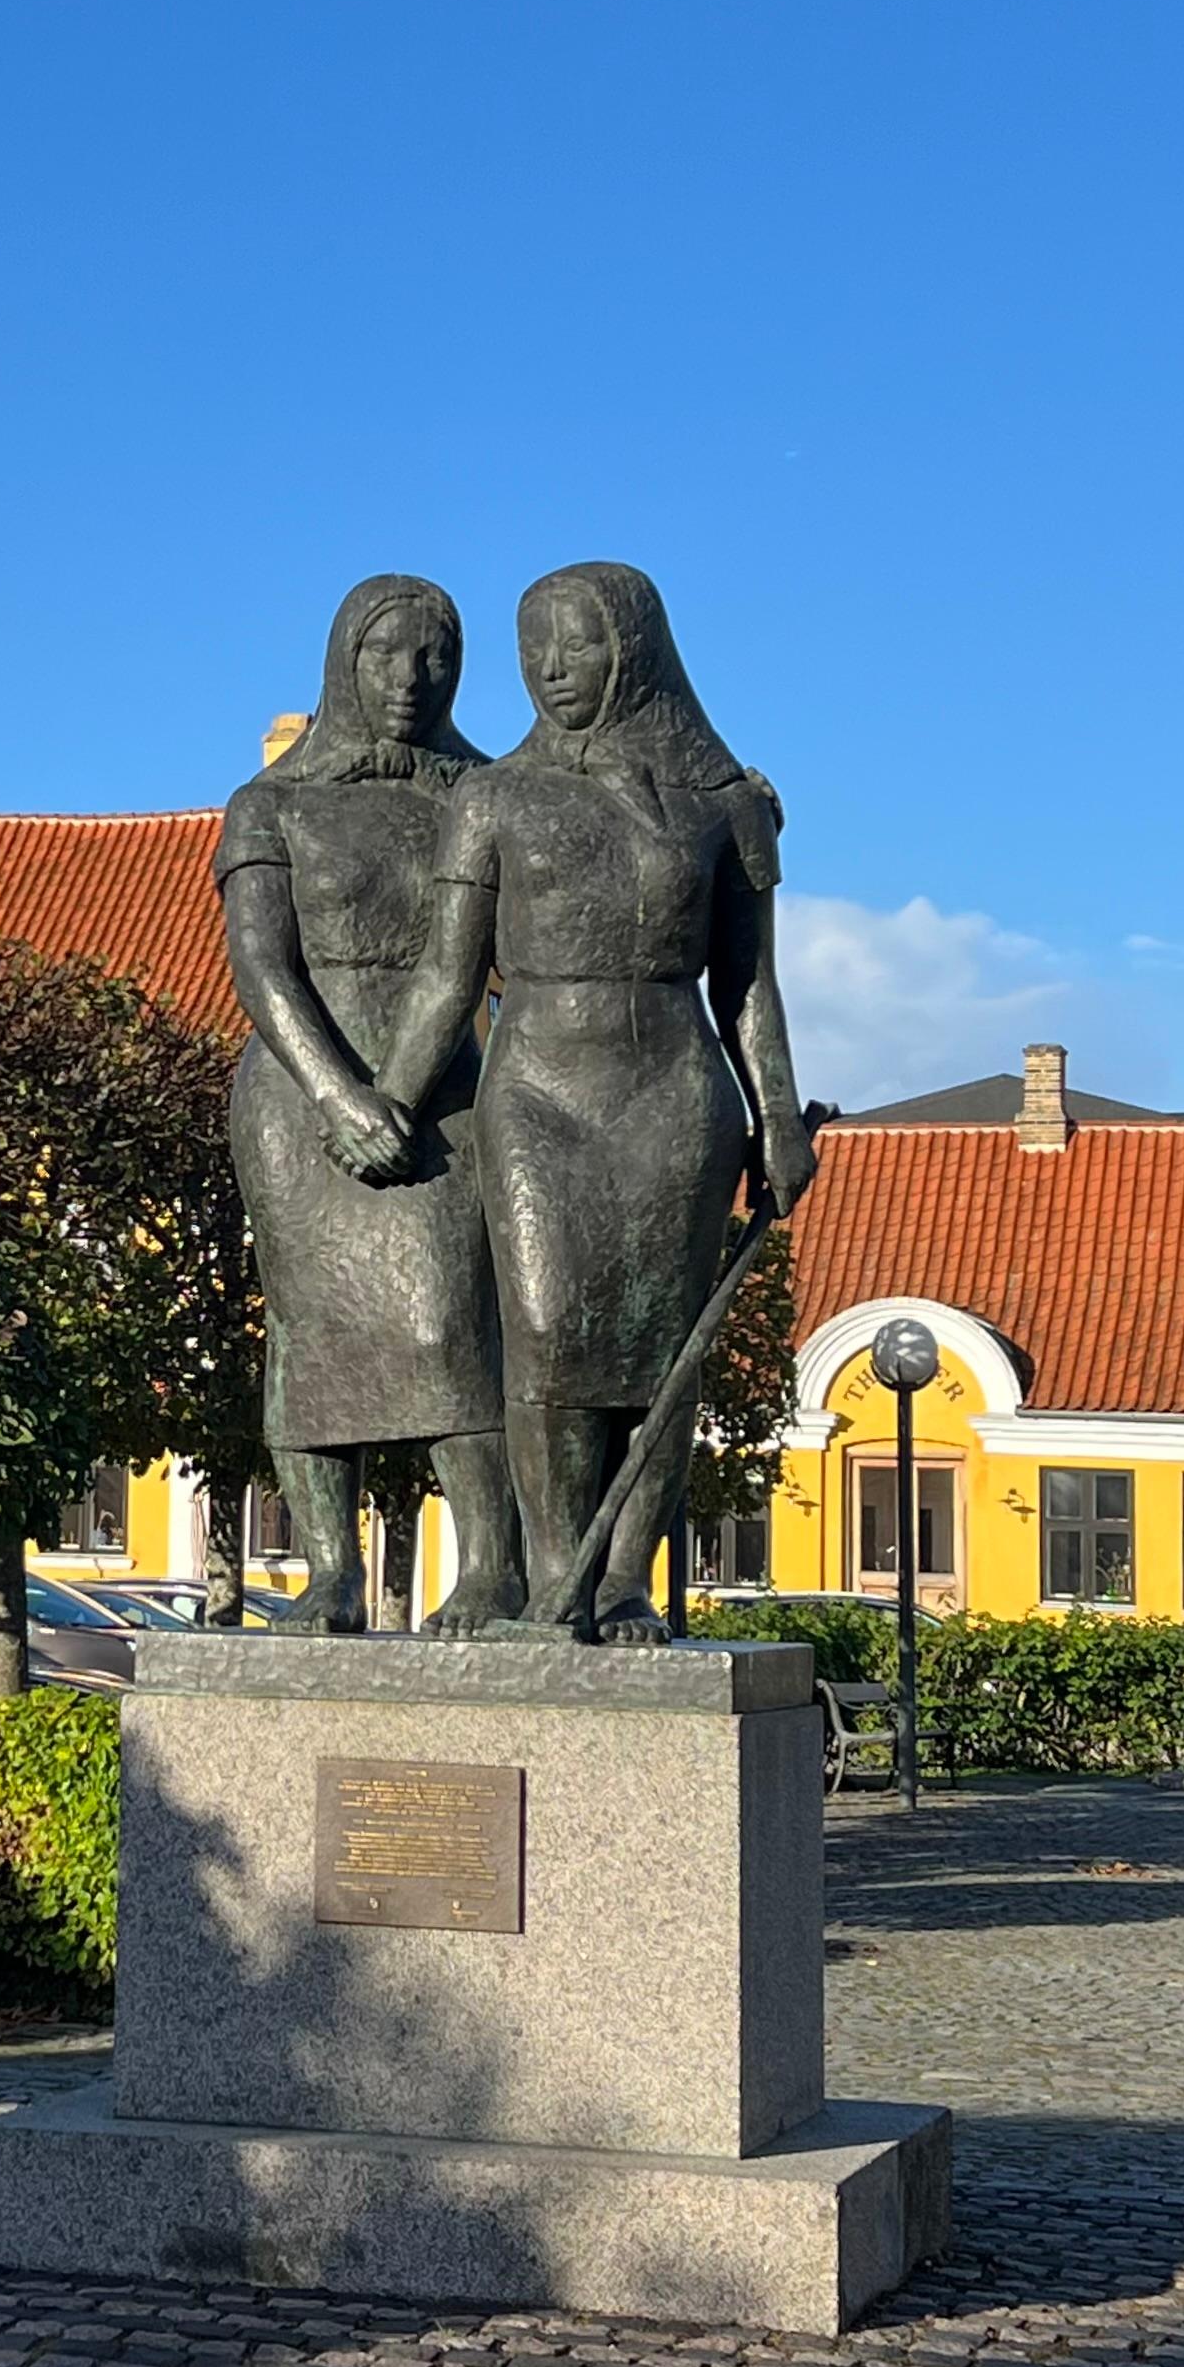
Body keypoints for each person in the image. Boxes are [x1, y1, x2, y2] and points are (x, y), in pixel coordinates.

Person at [377, 561, 817, 1640]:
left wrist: (778, 1116)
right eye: (533, 647)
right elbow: (444, 976)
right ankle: (550, 1575)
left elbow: (748, 985)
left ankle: (620, 1583)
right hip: (536, 1094)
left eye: (574, 643)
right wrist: (385, 1100)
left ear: (633, 649)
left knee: (660, 1354)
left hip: (673, 1091)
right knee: (542, 1337)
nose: (549, 668)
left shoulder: (723, 804)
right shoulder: (490, 799)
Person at [214, 573, 521, 1633]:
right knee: (311, 1332)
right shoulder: (271, 806)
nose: (411, 676)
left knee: (454, 1320)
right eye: (387, 653)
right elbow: (261, 969)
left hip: (446, 1095)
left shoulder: (487, 795)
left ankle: (490, 1567)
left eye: (435, 654)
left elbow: (603, 833)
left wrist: (736, 809)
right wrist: (338, 1093)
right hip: (301, 1093)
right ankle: (331, 1574)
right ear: (344, 663)